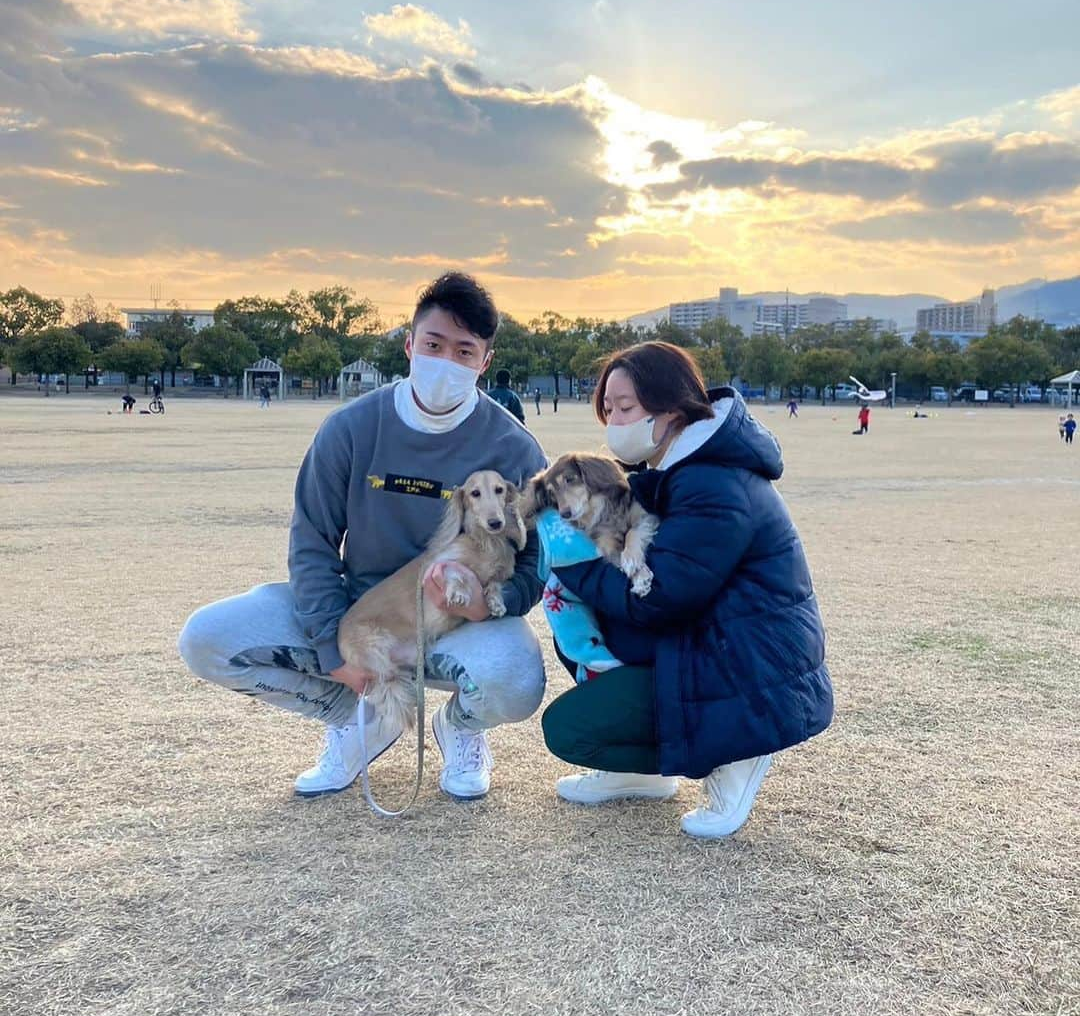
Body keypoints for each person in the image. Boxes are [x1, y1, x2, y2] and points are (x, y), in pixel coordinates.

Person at [179, 273, 547, 801]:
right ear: (409, 345)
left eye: (465, 352)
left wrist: (491, 606)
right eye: (434, 345)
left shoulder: (514, 447)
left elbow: (535, 566)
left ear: (484, 363)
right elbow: (312, 544)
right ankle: (360, 717)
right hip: (363, 611)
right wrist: (334, 649)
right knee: (207, 638)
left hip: (458, 625)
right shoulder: (350, 428)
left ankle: (461, 727)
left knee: (516, 677)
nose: (446, 363)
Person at [540, 341, 832, 840]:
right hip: (717, 638)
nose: (614, 421)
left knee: (574, 723)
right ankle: (646, 773)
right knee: (592, 643)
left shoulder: (713, 482)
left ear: (671, 407)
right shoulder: (675, 469)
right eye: (607, 409)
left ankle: (738, 753)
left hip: (752, 659)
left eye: (626, 407)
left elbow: (661, 598)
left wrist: (576, 570)